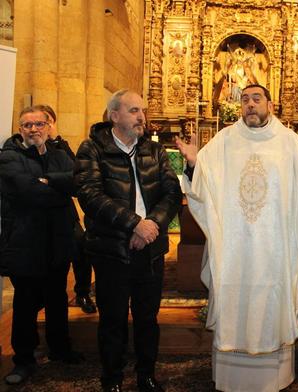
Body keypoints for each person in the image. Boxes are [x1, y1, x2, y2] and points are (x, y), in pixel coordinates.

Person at [176, 84, 298, 392]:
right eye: (244, 100)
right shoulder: (223, 141)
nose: (249, 104)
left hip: (275, 247)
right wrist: (194, 164)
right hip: (234, 246)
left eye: (256, 99)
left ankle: (272, 379)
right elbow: (201, 188)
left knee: (271, 299)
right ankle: (232, 377)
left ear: (269, 105)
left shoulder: (290, 143)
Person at [75, 90, 182, 392]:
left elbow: (172, 193)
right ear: (114, 116)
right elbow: (90, 195)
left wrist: (151, 227)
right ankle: (112, 379)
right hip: (112, 250)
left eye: (143, 111)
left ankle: (146, 375)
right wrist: (135, 225)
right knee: (113, 319)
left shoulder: (154, 150)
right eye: (134, 111)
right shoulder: (92, 148)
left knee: (148, 318)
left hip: (150, 250)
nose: (141, 117)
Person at [0, 106, 84, 385]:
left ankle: (60, 349)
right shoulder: (9, 155)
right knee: (25, 303)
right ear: (20, 128)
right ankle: (23, 360)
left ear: (49, 126)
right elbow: (24, 190)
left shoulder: (59, 154)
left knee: (57, 298)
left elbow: (77, 182)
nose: (33, 129)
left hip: (56, 241)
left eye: (39, 124)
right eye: (27, 125)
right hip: (25, 241)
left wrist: (49, 183)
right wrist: (57, 192)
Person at [34, 104, 97, 314]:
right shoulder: (28, 148)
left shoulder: (61, 146)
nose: (45, 128)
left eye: (48, 123)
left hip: (64, 212)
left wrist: (50, 180)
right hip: (38, 215)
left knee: (81, 248)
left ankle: (83, 292)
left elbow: (76, 177)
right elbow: (31, 181)